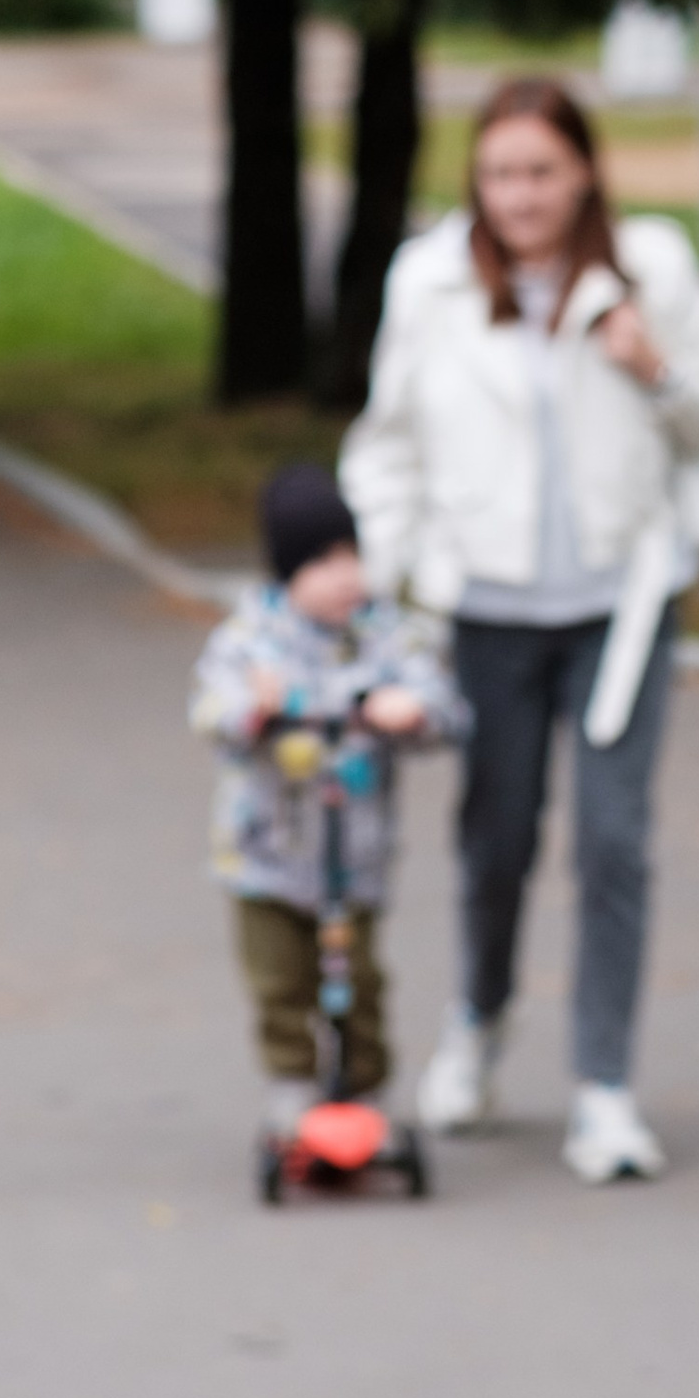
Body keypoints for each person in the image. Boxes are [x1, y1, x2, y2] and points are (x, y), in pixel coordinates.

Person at [342, 75, 699, 1185]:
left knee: (614, 843)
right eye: (499, 174)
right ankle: (477, 1018)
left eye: (541, 172)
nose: (520, 197)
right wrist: (391, 586)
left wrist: (648, 364)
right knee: (497, 837)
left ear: (583, 174)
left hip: (621, 610)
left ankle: (604, 1088)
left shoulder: (650, 271)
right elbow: (386, 445)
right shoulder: (430, 284)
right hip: (488, 613)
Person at [189, 464, 463, 1139]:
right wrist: (253, 711)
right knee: (280, 981)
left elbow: (444, 706)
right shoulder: (253, 642)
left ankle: (363, 1089)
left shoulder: (383, 637)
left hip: (354, 857)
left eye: (352, 557)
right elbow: (211, 711)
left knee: (359, 981)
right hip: (269, 855)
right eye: (322, 562)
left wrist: (412, 710)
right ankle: (293, 1083)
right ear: (287, 572)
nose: (345, 577)